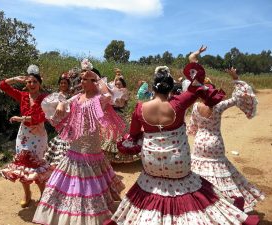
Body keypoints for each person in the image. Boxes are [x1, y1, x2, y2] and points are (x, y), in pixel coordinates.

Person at [104, 63, 259, 224]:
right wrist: (192, 67)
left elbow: (134, 135)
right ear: (171, 88)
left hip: (152, 164)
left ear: (153, 88)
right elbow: (197, 85)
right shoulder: (178, 103)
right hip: (177, 162)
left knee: (148, 187)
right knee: (189, 188)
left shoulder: (140, 108)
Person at [33, 63, 126, 225]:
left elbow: (113, 97)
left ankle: (87, 215)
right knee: (71, 181)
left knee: (89, 185)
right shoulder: (77, 97)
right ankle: (68, 214)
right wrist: (62, 103)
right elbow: (56, 104)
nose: (82, 82)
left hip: (91, 147)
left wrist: (97, 78)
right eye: (81, 79)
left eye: (86, 79)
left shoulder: (100, 99)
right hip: (75, 146)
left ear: (94, 82)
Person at [187, 67, 265, 212]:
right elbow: (238, 98)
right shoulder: (219, 106)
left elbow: (193, 127)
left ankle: (201, 201)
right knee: (220, 172)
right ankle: (225, 203)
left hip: (200, 142)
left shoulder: (196, 107)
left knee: (199, 171)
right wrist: (235, 78)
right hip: (215, 142)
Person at [0, 65, 52, 208]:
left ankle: (43, 194)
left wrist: (22, 119)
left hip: (38, 134)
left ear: (40, 83)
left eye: (35, 81)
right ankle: (27, 194)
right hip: (23, 135)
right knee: (22, 164)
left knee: (36, 164)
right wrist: (15, 79)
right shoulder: (22, 95)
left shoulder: (45, 98)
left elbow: (44, 116)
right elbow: (3, 85)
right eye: (29, 82)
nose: (32, 84)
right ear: (26, 84)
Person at [102, 77, 140, 163]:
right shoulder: (113, 92)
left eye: (119, 84)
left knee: (120, 135)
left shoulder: (124, 92)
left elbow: (119, 102)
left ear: (123, 85)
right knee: (111, 135)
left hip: (120, 115)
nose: (117, 86)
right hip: (111, 116)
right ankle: (109, 156)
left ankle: (121, 155)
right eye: (116, 84)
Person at [43, 73, 72, 168]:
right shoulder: (55, 96)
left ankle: (67, 164)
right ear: (59, 84)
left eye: (65, 83)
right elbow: (50, 109)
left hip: (71, 122)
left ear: (68, 84)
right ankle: (61, 164)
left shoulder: (72, 95)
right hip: (60, 122)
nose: (63, 85)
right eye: (61, 83)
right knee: (62, 140)